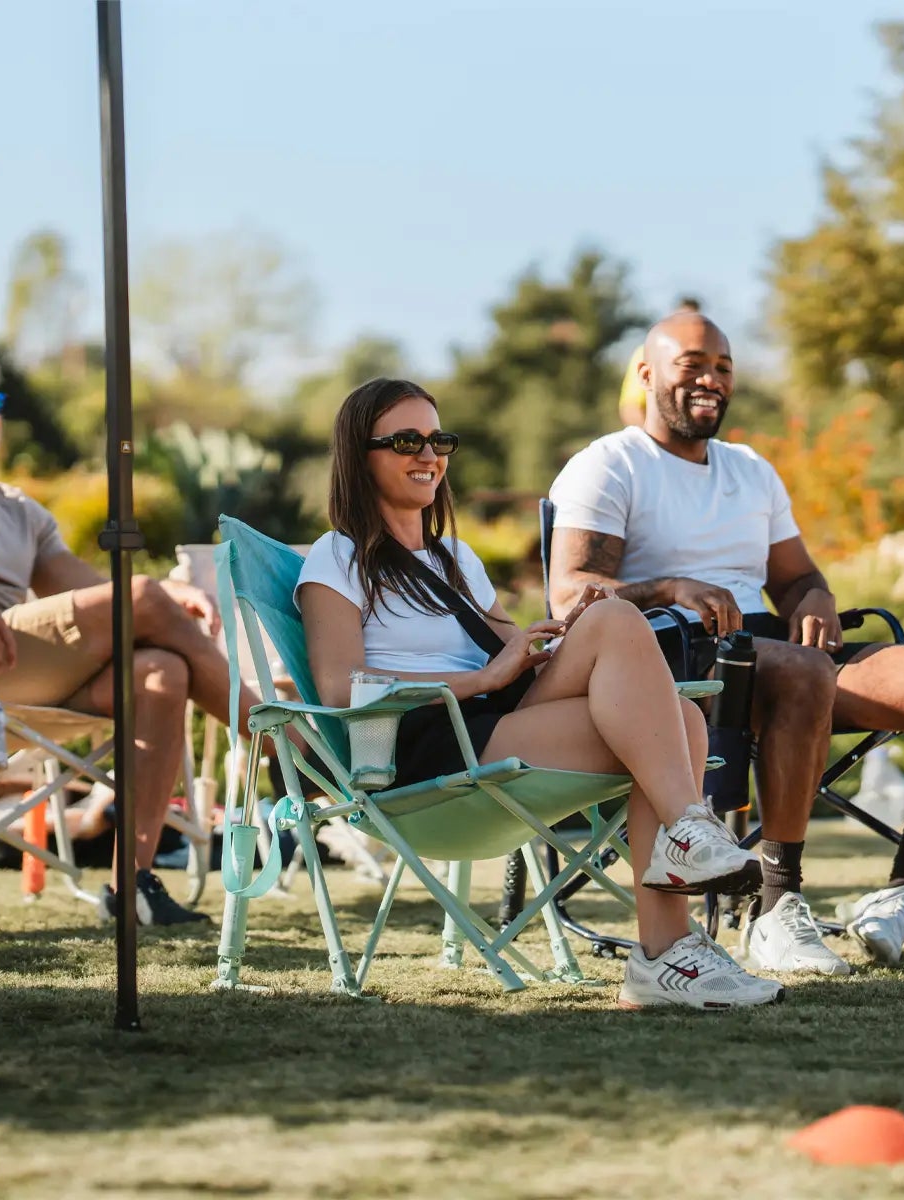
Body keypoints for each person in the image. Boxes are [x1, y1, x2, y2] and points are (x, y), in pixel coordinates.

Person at [298, 377, 784, 1011]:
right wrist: (481, 679)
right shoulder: (335, 559)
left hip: (495, 722)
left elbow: (511, 652)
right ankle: (683, 868)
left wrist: (551, 643)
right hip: (420, 747)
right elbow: (341, 688)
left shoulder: (456, 560)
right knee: (672, 713)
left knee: (665, 694)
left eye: (439, 439)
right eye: (406, 440)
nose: (429, 455)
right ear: (358, 455)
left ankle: (668, 942)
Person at [548, 312, 904, 974]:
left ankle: (900, 892)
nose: (711, 379)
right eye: (693, 363)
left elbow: (796, 578)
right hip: (677, 663)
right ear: (646, 374)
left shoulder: (750, 469)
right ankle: (776, 906)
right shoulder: (611, 463)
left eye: (724, 367)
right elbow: (572, 593)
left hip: (775, 654)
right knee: (801, 671)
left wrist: (815, 597)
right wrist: (672, 586)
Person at [0, 345, 251, 926]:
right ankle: (282, 741)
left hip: (24, 676)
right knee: (145, 605)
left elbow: (90, 590)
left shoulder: (18, 509)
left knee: (163, 671)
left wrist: (165, 593)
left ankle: (131, 885)